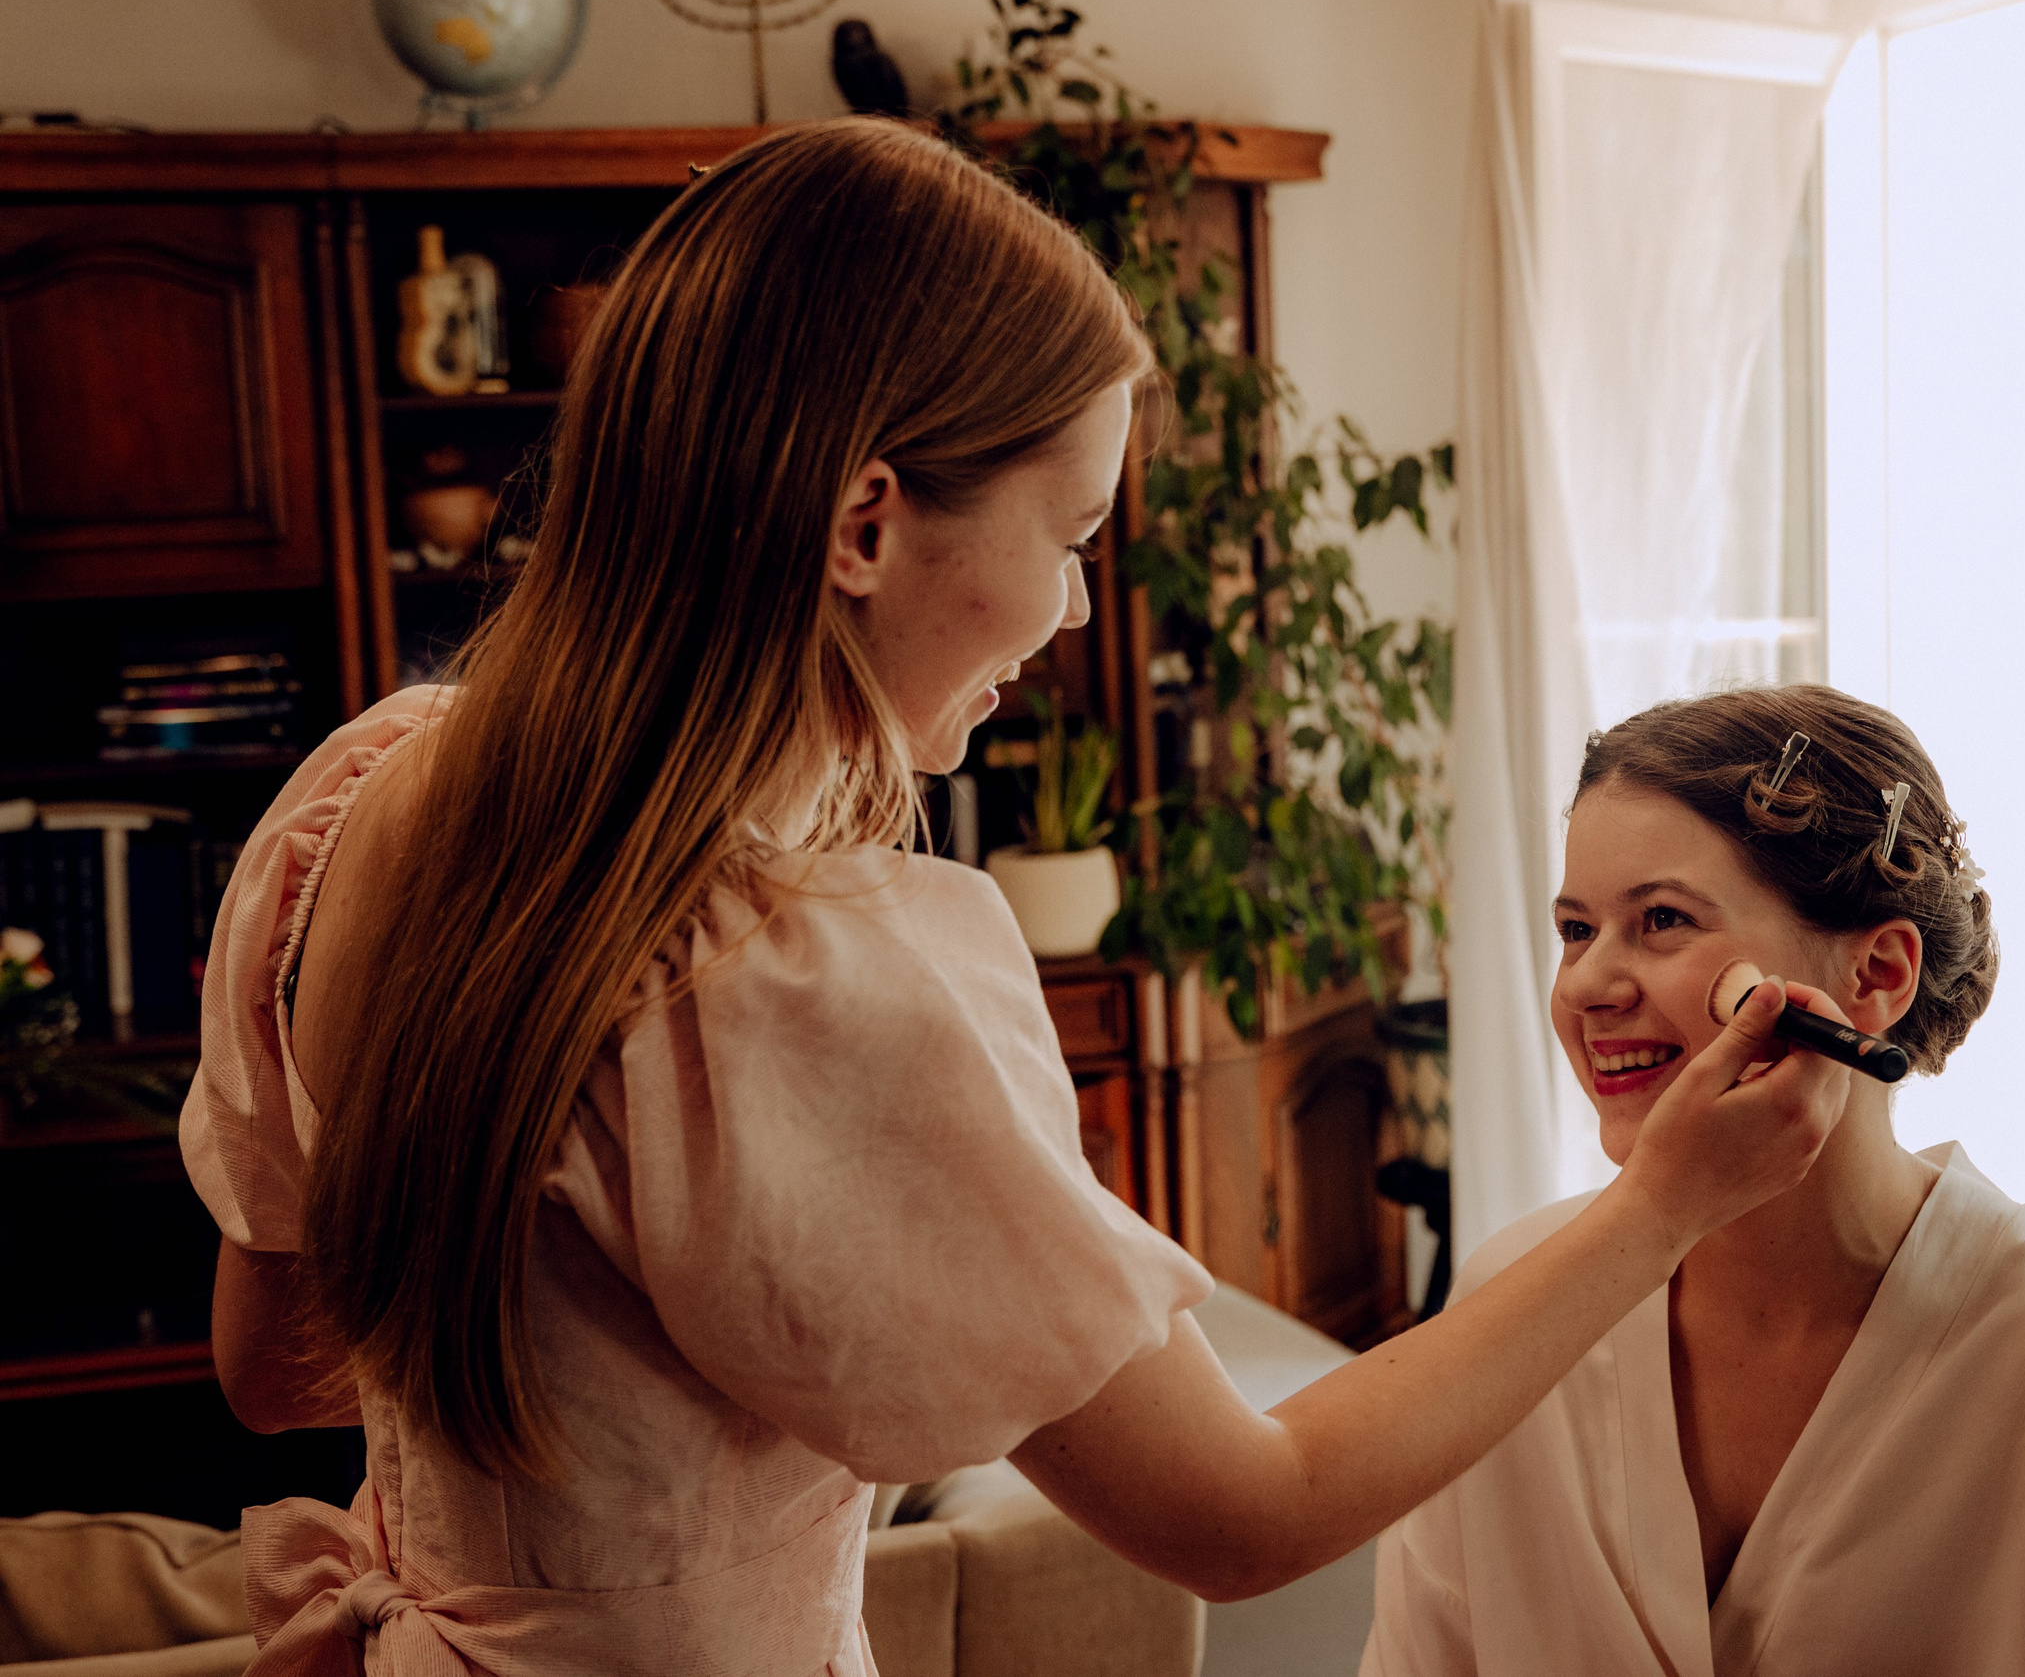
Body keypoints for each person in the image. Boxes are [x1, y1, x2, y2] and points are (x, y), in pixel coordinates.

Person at [181, 120, 1856, 1676]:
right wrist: (1657, 1211)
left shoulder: (367, 798)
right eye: (1069, 534)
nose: (1066, 610)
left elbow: (272, 1368)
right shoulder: (797, 979)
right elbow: (1241, 1513)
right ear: (864, 523)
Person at [1362, 686, 2025, 1677]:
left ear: (1878, 976)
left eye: (1663, 919)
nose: (1587, 986)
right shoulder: (1511, 1302)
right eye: (1577, 929)